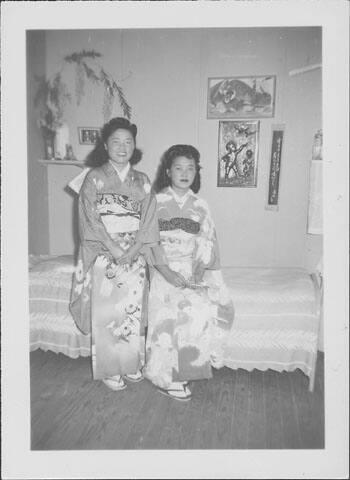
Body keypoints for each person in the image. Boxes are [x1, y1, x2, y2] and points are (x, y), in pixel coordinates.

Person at [70, 117, 164, 392]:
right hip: (103, 250)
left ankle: (130, 364)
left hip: (134, 252)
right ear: (105, 145)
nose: (123, 147)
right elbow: (90, 217)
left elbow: (148, 221)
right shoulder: (95, 178)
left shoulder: (143, 181)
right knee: (109, 311)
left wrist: (134, 249)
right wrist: (112, 247)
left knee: (132, 310)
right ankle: (111, 369)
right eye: (116, 141)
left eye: (128, 141)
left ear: (134, 145)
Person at [143, 144, 235, 401]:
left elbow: (207, 241)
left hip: (191, 270)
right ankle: (165, 377)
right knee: (168, 315)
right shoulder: (156, 201)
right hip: (162, 270)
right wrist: (165, 271)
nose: (184, 173)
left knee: (201, 308)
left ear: (196, 172)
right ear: (168, 171)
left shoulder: (200, 205)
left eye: (190, 168)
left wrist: (198, 271)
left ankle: (185, 373)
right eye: (178, 168)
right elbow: (149, 241)